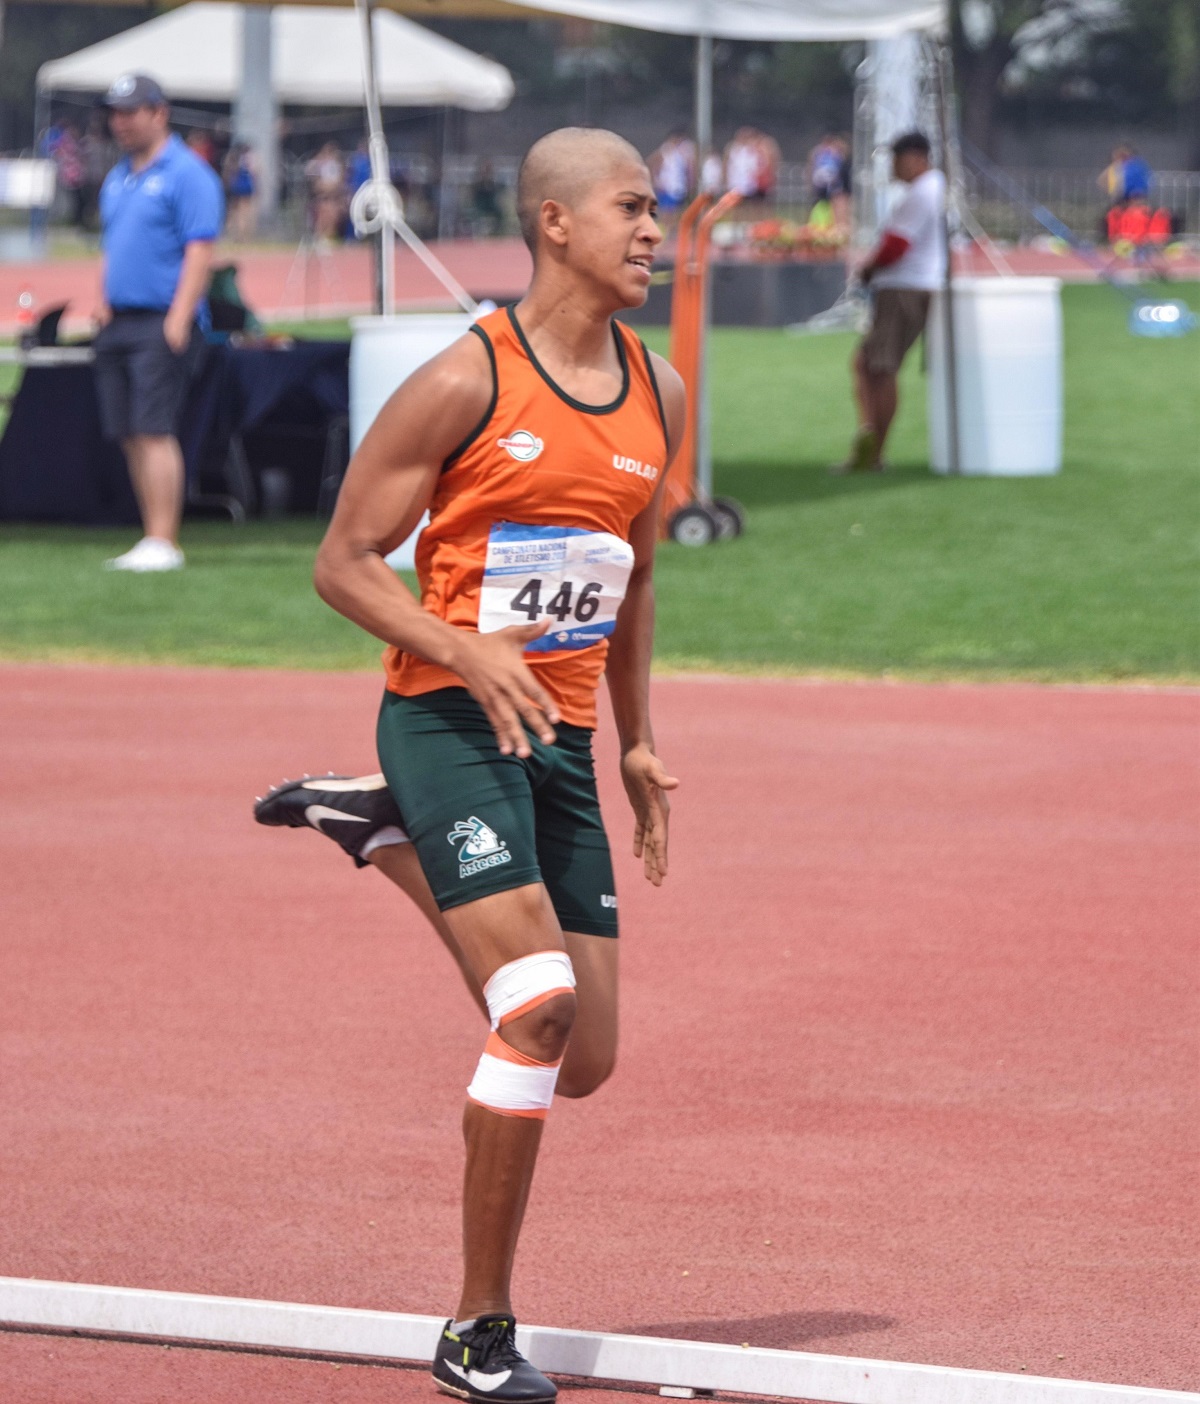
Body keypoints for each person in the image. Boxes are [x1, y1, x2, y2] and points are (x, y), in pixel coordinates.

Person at [256, 126, 684, 1403]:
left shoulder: (658, 389)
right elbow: (341, 562)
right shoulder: (464, 381)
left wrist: (640, 738)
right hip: (445, 718)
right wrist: (459, 647)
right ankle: (476, 1329)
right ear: (557, 222)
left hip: (555, 743)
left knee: (588, 1054)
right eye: (634, 207)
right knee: (536, 1008)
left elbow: (637, 572)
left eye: (654, 211)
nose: (655, 232)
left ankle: (381, 834)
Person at [93, 74, 223, 571]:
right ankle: (149, 533)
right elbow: (114, 246)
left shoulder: (187, 174)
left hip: (160, 318)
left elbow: (199, 248)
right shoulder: (119, 176)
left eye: (131, 113)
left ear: (158, 113)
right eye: (116, 113)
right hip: (120, 318)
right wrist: (104, 299)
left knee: (153, 427)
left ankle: (164, 538)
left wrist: (180, 314)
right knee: (128, 430)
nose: (120, 123)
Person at [835, 130, 945, 474]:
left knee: (879, 368)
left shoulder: (921, 193)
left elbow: (896, 246)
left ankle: (875, 450)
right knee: (870, 365)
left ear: (914, 157)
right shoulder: (933, 189)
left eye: (897, 160)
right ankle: (872, 441)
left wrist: (867, 270)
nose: (894, 168)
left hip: (903, 288)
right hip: (909, 286)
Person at [648, 130, 695, 216]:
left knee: (677, 212)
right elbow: (652, 164)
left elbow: (687, 168)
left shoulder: (680, 153)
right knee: (667, 212)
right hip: (666, 187)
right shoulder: (664, 150)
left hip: (678, 187)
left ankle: (672, 228)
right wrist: (656, 181)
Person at [222, 140, 258, 242]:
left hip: (236, 187)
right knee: (245, 212)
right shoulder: (249, 159)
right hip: (245, 187)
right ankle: (243, 235)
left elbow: (227, 173)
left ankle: (236, 235)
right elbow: (255, 173)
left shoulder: (232, 158)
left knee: (235, 212)